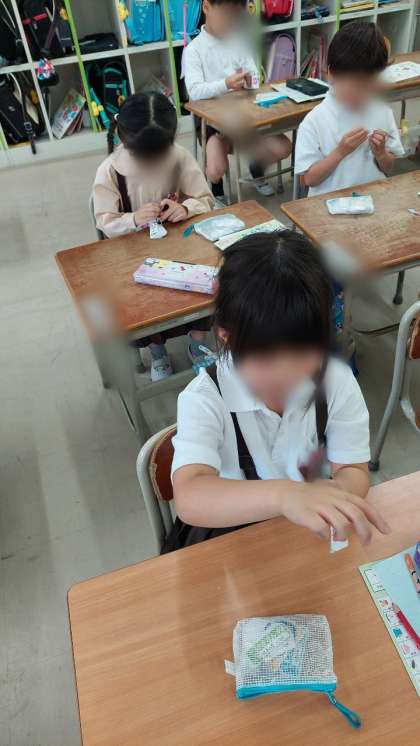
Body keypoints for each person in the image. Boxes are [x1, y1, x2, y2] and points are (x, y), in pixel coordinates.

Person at [163, 230, 391, 552]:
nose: (287, 373)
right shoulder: (205, 399)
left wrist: (332, 498)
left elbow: (353, 470)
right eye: (266, 358)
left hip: (305, 536)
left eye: (303, 352)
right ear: (226, 335)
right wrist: (285, 496)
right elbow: (190, 497)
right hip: (232, 541)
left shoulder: (336, 381)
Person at [93, 92, 215, 381]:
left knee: (208, 285)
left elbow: (205, 198)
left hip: (181, 247)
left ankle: (197, 344)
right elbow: (105, 220)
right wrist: (133, 219)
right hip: (132, 255)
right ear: (125, 141)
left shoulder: (179, 158)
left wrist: (185, 207)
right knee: (141, 302)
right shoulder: (111, 171)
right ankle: (157, 351)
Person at [183, 0, 292, 202]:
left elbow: (254, 75)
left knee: (284, 148)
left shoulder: (238, 41)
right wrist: (226, 84)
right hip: (212, 121)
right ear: (206, 8)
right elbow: (195, 91)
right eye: (224, 15)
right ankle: (217, 189)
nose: (229, 22)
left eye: (234, 17)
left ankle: (257, 169)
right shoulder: (193, 50)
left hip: (246, 113)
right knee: (215, 170)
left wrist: (251, 81)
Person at [295, 21, 404, 197]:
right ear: (331, 74)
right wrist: (340, 152)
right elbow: (308, 179)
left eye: (367, 86)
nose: (360, 94)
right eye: (353, 86)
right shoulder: (314, 121)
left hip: (373, 200)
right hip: (328, 207)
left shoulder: (382, 112)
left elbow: (388, 167)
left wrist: (381, 153)